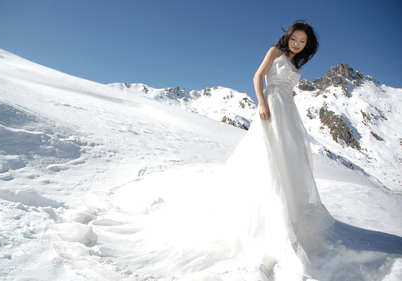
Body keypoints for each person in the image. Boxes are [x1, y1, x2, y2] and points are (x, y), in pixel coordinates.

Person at [53, 20, 334, 281]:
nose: (297, 44)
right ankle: (268, 218)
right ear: (288, 37)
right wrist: (261, 102)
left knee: (288, 161)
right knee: (268, 160)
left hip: (289, 113)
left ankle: (288, 216)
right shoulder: (275, 51)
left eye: (302, 41)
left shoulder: (295, 62)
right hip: (271, 107)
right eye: (294, 38)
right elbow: (257, 77)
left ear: (307, 45)